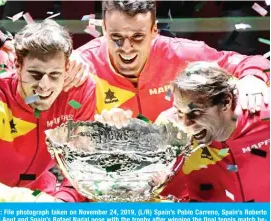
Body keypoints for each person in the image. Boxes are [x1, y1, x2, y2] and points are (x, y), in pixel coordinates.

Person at [75, 0, 269, 201]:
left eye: (138, 37)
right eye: (116, 37)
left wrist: (253, 79)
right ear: (104, 29)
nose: (126, 48)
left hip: (184, 198)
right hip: (118, 198)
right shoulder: (78, 67)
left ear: (154, 31)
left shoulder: (185, 54)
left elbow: (251, 62)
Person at [0, 19, 95, 218]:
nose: (44, 86)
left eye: (55, 74)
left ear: (67, 67)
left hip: (44, 194)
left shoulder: (81, 89)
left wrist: (65, 201)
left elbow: (81, 165)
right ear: (17, 64)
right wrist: (40, 204)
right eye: (35, 74)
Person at [156, 62, 269, 202]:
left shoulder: (265, 116)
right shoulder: (170, 128)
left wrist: (254, 76)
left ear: (226, 102)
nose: (185, 124)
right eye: (179, 111)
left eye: (196, 112)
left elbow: (254, 61)